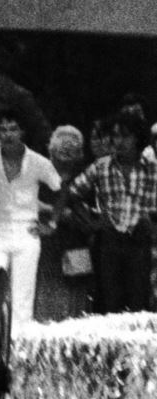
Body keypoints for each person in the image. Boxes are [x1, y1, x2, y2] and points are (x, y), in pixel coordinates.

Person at [59, 111, 157, 313]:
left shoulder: (151, 168)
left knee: (139, 303)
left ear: (137, 137)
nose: (119, 142)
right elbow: (72, 194)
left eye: (125, 136)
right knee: (110, 301)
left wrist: (151, 223)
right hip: (110, 240)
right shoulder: (102, 166)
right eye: (115, 136)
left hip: (140, 240)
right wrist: (91, 222)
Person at [0, 109, 62, 329]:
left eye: (13, 128)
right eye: (4, 129)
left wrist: (52, 222)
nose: (8, 134)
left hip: (27, 232)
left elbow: (61, 189)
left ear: (22, 131)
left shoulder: (37, 162)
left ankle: (19, 351)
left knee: (23, 297)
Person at [35, 125, 94, 321]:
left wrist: (66, 215)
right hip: (45, 250)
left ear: (80, 153)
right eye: (62, 144)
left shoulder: (86, 179)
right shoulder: (38, 177)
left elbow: (91, 218)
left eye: (72, 146)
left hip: (77, 248)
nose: (67, 148)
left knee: (76, 308)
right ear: (50, 150)